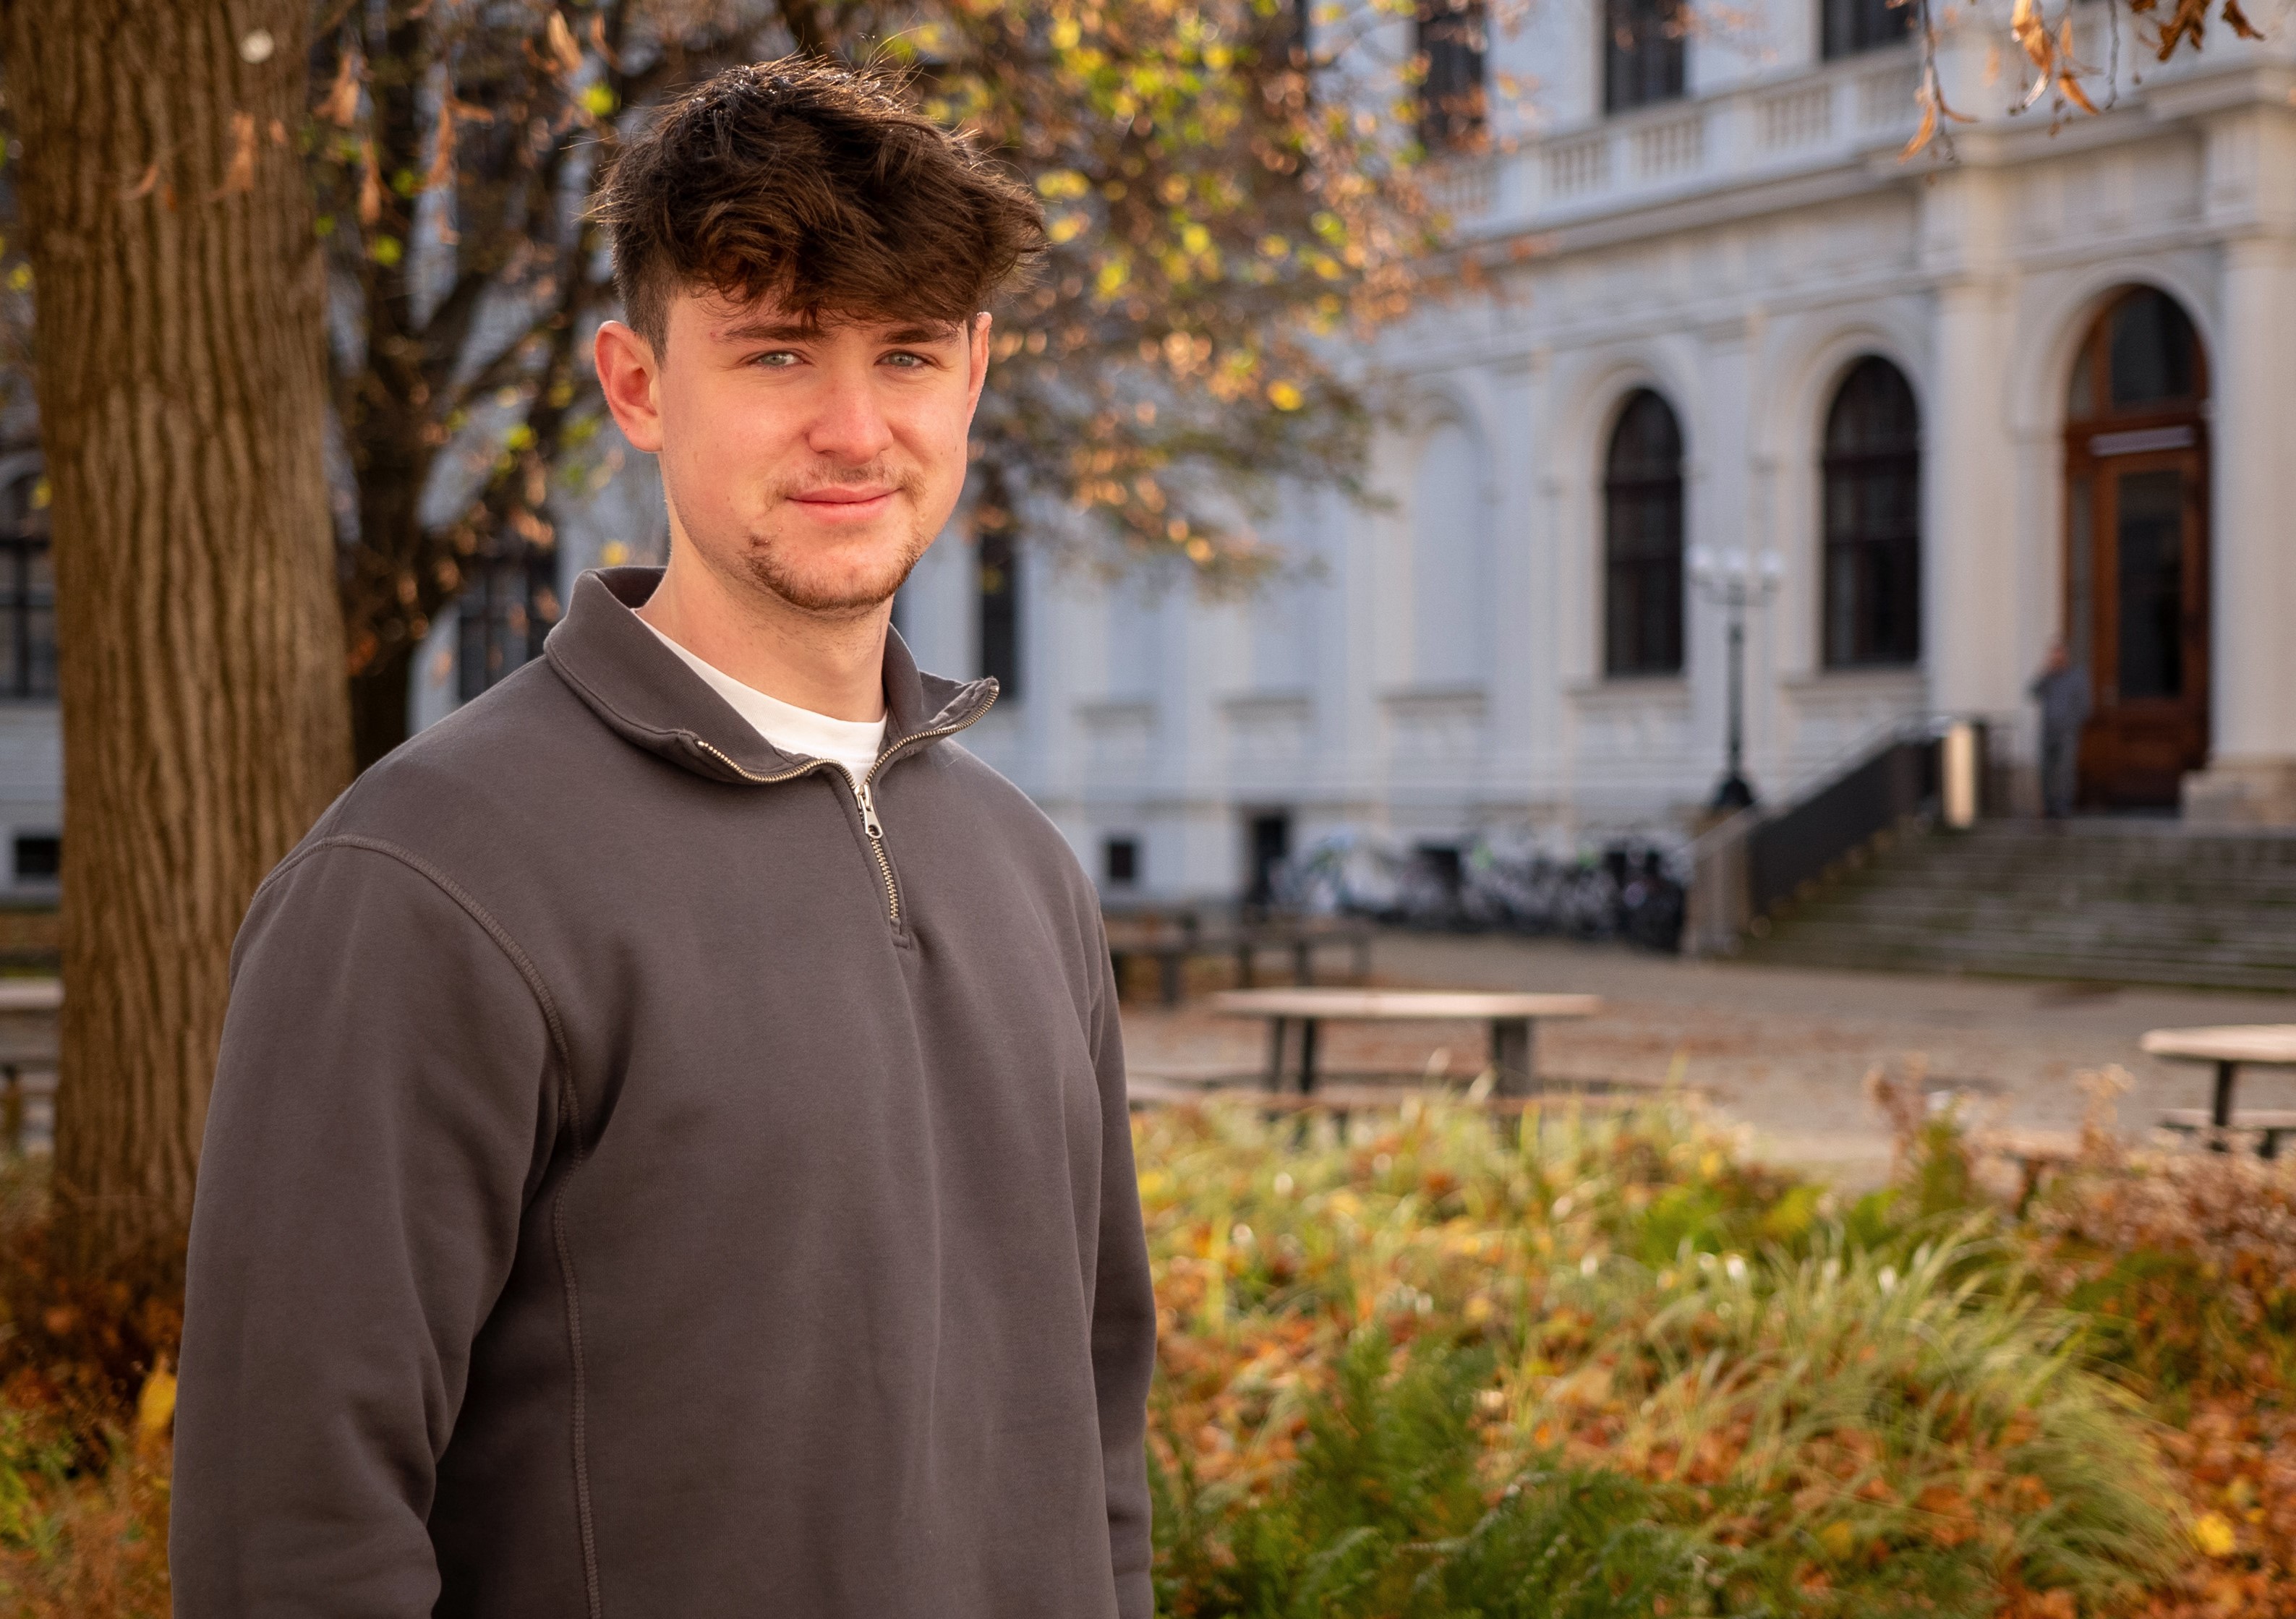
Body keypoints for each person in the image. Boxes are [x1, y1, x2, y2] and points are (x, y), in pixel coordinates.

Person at [171, 60, 1156, 1619]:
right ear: (637, 385)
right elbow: (292, 1530)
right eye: (775, 352)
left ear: (971, 375)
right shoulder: (427, 878)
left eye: (904, 354)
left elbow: (1095, 1431)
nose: (853, 427)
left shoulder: (1024, 870)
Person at [2030, 640, 2091, 819]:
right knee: (2046, 771)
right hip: (2048, 731)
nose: (2057, 658)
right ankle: (2048, 807)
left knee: (2065, 771)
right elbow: (2033, 692)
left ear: (2066, 656)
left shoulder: (2077, 677)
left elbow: (2085, 706)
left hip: (2067, 732)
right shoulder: (2048, 677)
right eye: (2054, 654)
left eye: (2060, 654)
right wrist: (2045, 672)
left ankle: (2064, 808)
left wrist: (2071, 724)